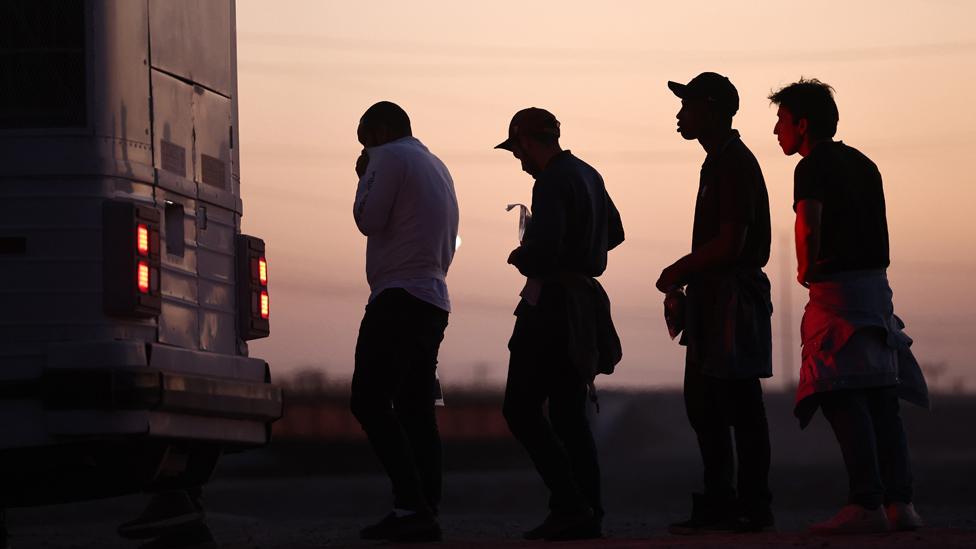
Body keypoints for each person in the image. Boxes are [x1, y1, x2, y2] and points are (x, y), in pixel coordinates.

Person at [769, 78, 928, 534]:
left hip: (838, 293)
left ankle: (866, 501)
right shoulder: (864, 164)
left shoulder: (812, 165)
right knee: (880, 397)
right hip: (876, 290)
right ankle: (901, 503)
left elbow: (809, 221)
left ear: (802, 124)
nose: (776, 130)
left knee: (839, 391)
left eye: (781, 121)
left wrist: (806, 267)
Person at [495, 107, 624, 541]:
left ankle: (569, 504)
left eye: (518, 151)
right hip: (581, 306)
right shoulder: (589, 174)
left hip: (550, 305)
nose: (519, 160)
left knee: (520, 409)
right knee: (571, 416)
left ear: (529, 141)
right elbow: (616, 232)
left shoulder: (549, 181)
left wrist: (522, 255)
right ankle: (590, 512)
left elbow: (544, 251)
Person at [657, 72, 775, 534]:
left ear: (710, 108)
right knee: (705, 405)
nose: (680, 114)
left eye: (687, 105)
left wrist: (679, 270)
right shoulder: (719, 162)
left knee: (738, 404)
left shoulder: (733, 163)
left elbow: (732, 242)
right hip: (713, 298)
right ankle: (723, 502)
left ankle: (752, 506)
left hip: (731, 299)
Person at [349, 101, 459, 543]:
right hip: (433, 296)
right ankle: (424, 507)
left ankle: (410, 503)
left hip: (398, 295)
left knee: (369, 401)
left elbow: (367, 219)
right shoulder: (435, 164)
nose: (363, 152)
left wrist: (363, 179)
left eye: (365, 141)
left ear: (378, 132)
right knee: (415, 407)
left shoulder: (389, 157)